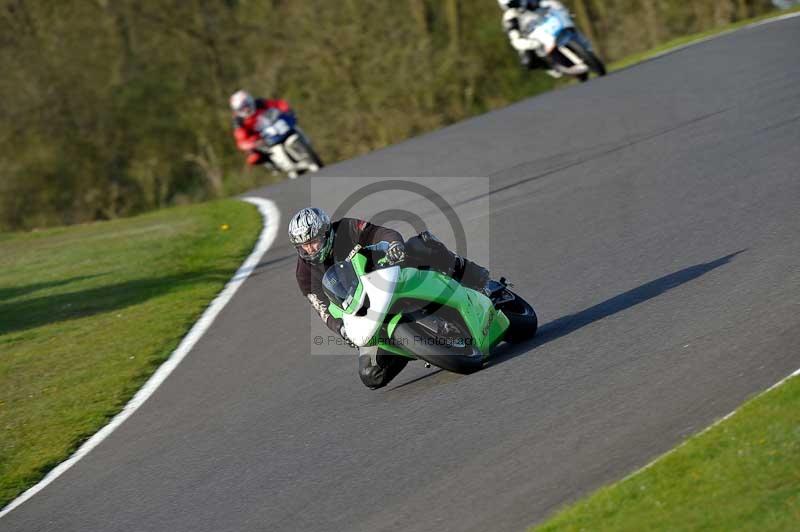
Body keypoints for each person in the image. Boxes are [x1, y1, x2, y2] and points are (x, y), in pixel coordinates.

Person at [289, 207, 491, 390]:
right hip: (362, 308)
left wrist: (394, 245)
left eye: (313, 242)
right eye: (304, 246)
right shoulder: (303, 274)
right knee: (371, 375)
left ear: (326, 233)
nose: (310, 250)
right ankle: (411, 346)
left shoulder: (346, 227)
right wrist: (341, 328)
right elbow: (322, 309)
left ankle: (475, 277)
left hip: (387, 273)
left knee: (420, 245)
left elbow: (380, 233)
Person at [229, 89, 294, 169]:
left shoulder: (260, 103)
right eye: (242, 108)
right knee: (254, 158)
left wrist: (287, 110)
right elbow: (241, 141)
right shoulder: (239, 122)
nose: (246, 109)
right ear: (237, 110)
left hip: (276, 126)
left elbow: (278, 104)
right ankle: (274, 165)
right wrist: (253, 144)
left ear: (250, 101)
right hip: (261, 140)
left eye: (246, 105)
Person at [497, 0, 555, 73]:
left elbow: (552, 6)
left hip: (550, 26)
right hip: (535, 40)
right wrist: (535, 44)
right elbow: (516, 41)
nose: (515, 3)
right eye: (512, 3)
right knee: (527, 60)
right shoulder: (510, 16)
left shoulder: (532, 2)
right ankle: (553, 67)